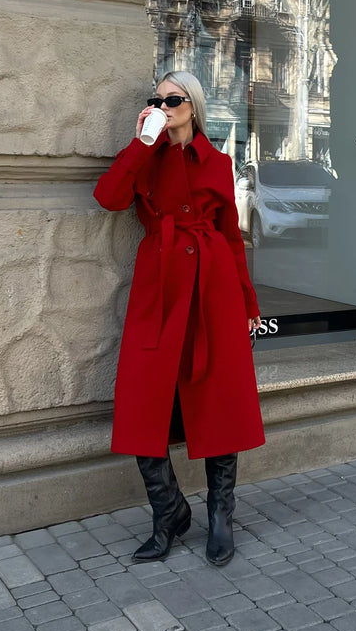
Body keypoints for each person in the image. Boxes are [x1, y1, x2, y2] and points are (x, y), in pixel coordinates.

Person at [94, 71, 265, 566]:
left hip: (212, 290)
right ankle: (168, 511)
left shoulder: (217, 162)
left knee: (219, 399)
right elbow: (109, 197)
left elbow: (232, 239)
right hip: (161, 285)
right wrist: (141, 142)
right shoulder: (145, 156)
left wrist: (249, 306)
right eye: (157, 99)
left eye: (174, 99)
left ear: (193, 106)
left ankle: (219, 515)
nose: (164, 105)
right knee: (142, 402)